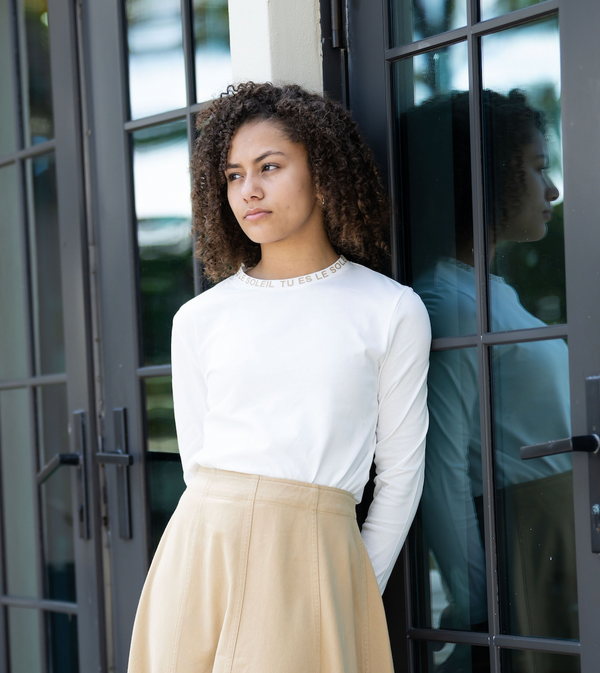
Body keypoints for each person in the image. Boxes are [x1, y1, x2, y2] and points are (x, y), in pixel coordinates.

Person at [127, 81, 432, 673]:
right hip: (200, 555)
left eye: (269, 167)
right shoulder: (199, 318)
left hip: (313, 565)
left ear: (323, 175)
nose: (250, 190)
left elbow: (400, 473)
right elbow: (198, 465)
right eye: (234, 174)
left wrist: (349, 587)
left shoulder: (389, 309)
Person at [407, 90, 576, 672]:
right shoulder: (448, 304)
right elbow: (441, 470)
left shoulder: (487, 293)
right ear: (485, 179)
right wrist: (478, 604)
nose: (551, 190)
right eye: (535, 168)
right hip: (528, 549)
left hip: (561, 537)